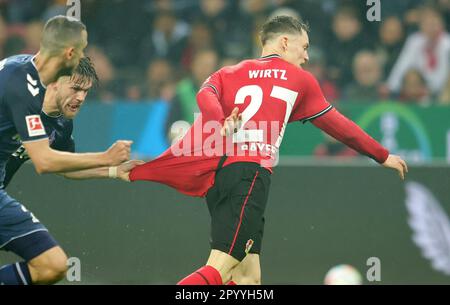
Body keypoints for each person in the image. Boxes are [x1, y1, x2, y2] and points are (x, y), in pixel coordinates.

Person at [130, 16, 407, 285]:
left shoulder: (229, 72)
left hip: (219, 178)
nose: (307, 57)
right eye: (305, 47)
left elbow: (206, 94)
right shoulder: (300, 80)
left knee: (249, 276)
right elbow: (340, 126)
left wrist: (219, 120)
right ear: (285, 42)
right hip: (250, 175)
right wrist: (382, 155)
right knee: (222, 266)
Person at [0, 16, 132, 285]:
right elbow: (44, 162)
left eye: (86, 92)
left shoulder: (58, 123)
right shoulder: (17, 80)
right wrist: (106, 157)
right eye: (81, 49)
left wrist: (111, 170)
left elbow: (65, 166)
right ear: (70, 53)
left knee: (53, 265)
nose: (81, 98)